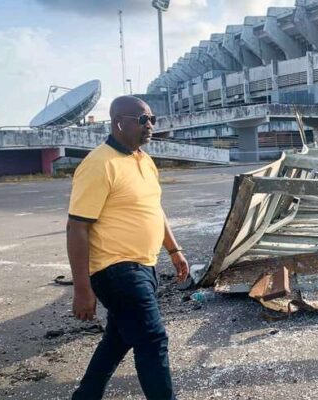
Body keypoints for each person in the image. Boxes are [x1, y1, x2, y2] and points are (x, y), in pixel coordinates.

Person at [67, 96, 189, 400]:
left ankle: (85, 396)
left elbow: (154, 209)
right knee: (152, 339)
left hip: (144, 266)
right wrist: (82, 289)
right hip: (116, 270)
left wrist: (174, 250)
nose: (149, 125)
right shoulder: (99, 164)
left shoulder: (144, 160)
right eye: (142, 119)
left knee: (118, 339)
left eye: (152, 119)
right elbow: (77, 227)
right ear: (118, 122)